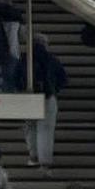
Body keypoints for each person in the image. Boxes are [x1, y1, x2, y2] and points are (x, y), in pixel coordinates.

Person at [21, 35, 71, 166]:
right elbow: (63, 79)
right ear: (45, 44)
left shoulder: (24, 60)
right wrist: (54, 89)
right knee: (45, 130)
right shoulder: (52, 60)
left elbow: (16, 78)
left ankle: (33, 156)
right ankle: (45, 162)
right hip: (48, 97)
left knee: (30, 127)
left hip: (28, 98)